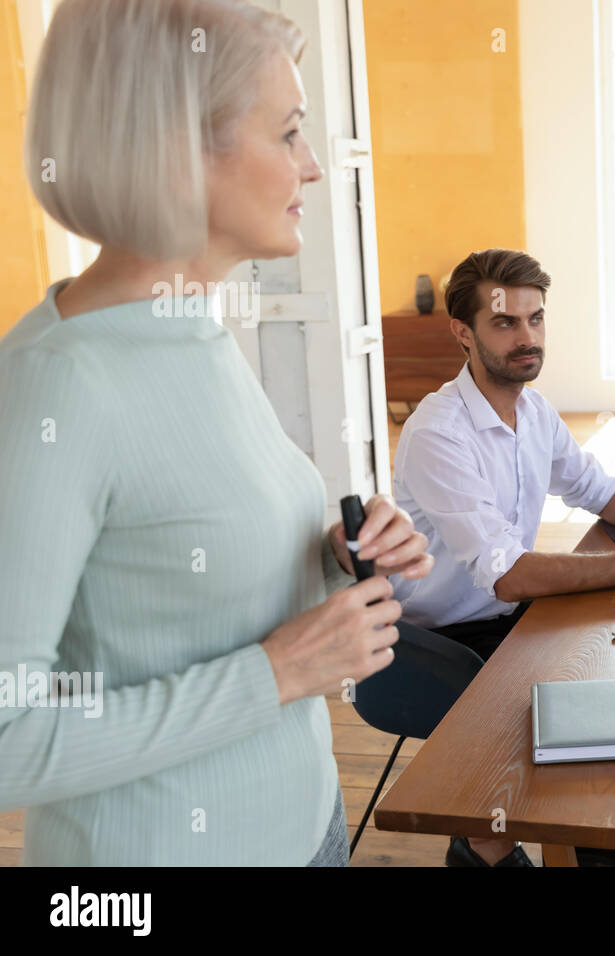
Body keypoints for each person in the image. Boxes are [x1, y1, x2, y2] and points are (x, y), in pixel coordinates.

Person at [0, 0, 435, 865]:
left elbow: (178, 560)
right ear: (174, 152)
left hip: (311, 828)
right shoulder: (58, 382)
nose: (315, 168)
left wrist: (337, 554)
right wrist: (277, 672)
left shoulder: (192, 326)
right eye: (289, 133)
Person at [391, 247, 615, 867]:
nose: (528, 338)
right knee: (602, 735)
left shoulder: (533, 408)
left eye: (537, 319)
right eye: (506, 323)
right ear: (463, 333)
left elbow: (593, 488)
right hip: (442, 640)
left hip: (509, 620)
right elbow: (509, 576)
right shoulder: (438, 432)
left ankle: (549, 840)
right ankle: (492, 841)